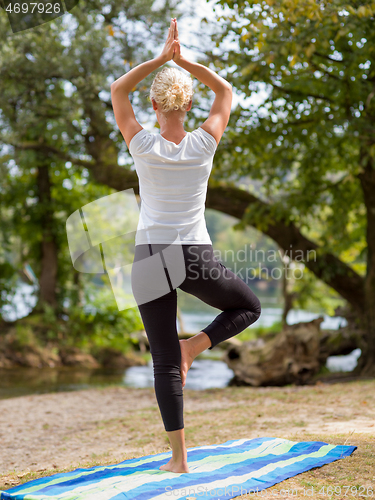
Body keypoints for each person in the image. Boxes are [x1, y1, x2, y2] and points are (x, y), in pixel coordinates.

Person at [110, 18, 261, 474]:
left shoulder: (141, 144)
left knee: (163, 363)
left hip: (150, 257)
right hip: (194, 254)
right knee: (249, 307)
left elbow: (119, 91)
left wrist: (159, 59)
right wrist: (185, 61)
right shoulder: (203, 145)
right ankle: (194, 347)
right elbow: (226, 93)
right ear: (189, 103)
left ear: (153, 104)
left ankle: (179, 460)